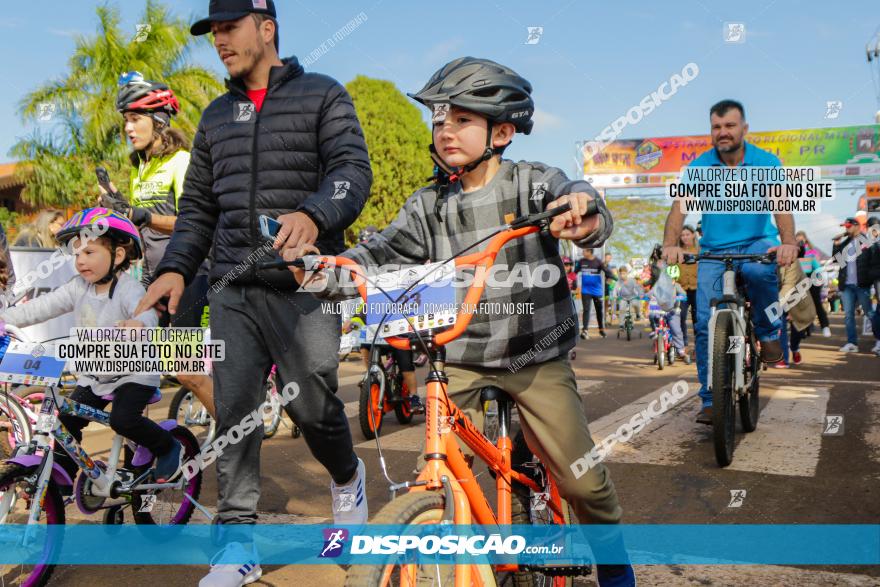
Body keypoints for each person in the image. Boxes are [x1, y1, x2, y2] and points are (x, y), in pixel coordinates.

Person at [291, 56, 635, 587]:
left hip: (534, 356)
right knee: (449, 466)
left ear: (502, 130)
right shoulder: (428, 204)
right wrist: (318, 269)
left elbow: (582, 202)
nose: (445, 129)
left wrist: (581, 210)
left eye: (460, 119)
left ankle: (616, 568)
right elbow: (379, 252)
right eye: (439, 119)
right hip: (459, 359)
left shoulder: (532, 184)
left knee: (583, 481)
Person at [135, 1, 373, 584]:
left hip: (304, 286)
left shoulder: (322, 93)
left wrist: (316, 214)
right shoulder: (217, 116)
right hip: (233, 288)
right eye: (213, 31)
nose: (219, 40)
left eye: (230, 28)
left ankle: (347, 477)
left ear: (266, 28)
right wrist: (177, 268)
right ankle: (236, 545)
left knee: (312, 400)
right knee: (236, 412)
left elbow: (351, 170)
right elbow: (197, 210)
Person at [0, 209, 183, 483]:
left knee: (124, 420)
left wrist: (139, 324)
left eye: (89, 253)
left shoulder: (128, 288)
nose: (80, 261)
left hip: (134, 374)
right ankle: (61, 477)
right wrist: (4, 318)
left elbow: (145, 311)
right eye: (76, 254)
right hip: (96, 373)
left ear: (118, 256)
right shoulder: (77, 287)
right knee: (66, 422)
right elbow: (41, 307)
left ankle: (168, 446)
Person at [661, 99, 797, 425]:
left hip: (756, 243)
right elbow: (680, 210)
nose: (723, 132)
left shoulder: (767, 163)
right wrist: (669, 244)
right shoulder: (699, 168)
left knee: (758, 270)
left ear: (744, 129)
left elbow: (782, 205)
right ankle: (710, 400)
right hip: (713, 252)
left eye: (729, 126)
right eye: (717, 127)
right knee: (706, 323)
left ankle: (766, 332)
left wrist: (788, 242)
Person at [101, 71, 217, 420]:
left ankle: (238, 440)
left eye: (135, 119)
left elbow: (195, 221)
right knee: (129, 356)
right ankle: (144, 447)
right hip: (153, 276)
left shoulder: (181, 162)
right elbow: (142, 224)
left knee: (186, 371)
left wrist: (143, 215)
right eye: (125, 120)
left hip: (189, 276)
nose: (128, 128)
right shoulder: (141, 169)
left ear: (159, 121)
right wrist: (119, 211)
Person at [343, 227, 421, 412]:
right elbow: (366, 305)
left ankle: (414, 396)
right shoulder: (369, 278)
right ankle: (370, 373)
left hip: (399, 329)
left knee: (405, 365)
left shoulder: (398, 271)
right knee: (365, 345)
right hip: (378, 332)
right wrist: (354, 320)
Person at [833, 217, 879, 353]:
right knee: (848, 315)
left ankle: (879, 340)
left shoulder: (867, 240)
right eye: (845, 227)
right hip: (847, 285)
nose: (846, 229)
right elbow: (837, 261)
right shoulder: (845, 242)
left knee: (870, 313)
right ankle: (852, 343)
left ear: (857, 226)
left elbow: (874, 260)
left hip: (862, 284)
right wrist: (836, 244)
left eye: (848, 226)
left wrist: (869, 278)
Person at [795, 230, 831, 337]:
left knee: (817, 304)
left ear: (805, 240)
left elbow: (817, 267)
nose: (799, 242)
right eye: (797, 240)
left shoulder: (812, 251)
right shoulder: (795, 252)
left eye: (801, 240)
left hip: (812, 278)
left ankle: (825, 326)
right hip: (799, 280)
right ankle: (805, 329)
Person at [577, 248, 614, 338]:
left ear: (589, 252)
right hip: (585, 290)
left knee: (598, 311)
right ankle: (585, 331)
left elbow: (609, 273)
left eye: (584, 251)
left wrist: (609, 279)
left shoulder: (598, 262)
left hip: (597, 291)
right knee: (586, 310)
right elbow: (574, 272)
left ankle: (601, 329)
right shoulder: (581, 261)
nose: (583, 252)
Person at [677, 224, 699, 351]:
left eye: (687, 234)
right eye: (682, 235)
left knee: (698, 319)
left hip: (697, 289)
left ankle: (698, 346)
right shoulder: (677, 252)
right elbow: (671, 270)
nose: (685, 237)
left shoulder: (699, 251)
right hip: (682, 290)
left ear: (693, 235)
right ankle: (683, 344)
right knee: (681, 316)